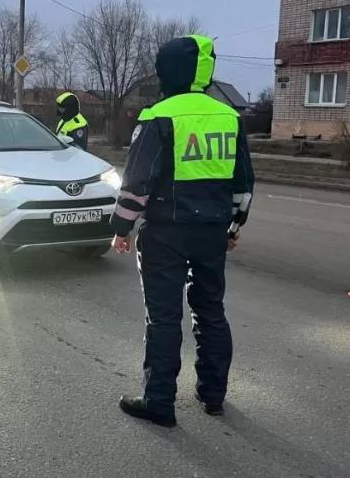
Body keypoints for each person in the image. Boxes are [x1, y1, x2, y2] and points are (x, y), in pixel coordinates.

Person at [110, 35, 254, 428]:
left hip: (165, 233)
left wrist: (121, 228)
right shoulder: (229, 117)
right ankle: (213, 396)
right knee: (211, 312)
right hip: (211, 233)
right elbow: (243, 183)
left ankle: (159, 401)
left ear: (167, 69)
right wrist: (233, 226)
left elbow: (137, 183)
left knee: (163, 317)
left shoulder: (158, 115)